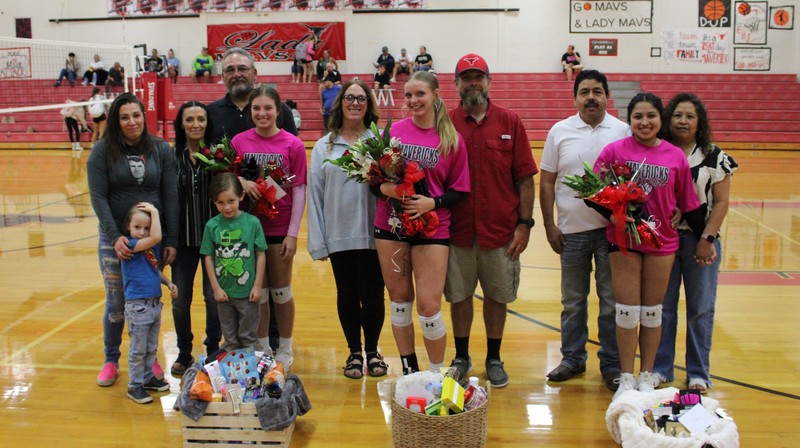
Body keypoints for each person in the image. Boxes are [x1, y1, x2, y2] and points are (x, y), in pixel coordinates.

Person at [592, 93, 706, 400]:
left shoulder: (674, 156)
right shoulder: (614, 151)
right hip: (624, 242)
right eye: (638, 116)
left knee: (653, 313)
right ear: (630, 121)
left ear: (661, 120)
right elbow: (595, 192)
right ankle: (626, 377)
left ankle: (647, 375)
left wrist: (708, 238)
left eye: (651, 116)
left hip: (662, 242)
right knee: (627, 312)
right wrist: (618, 214)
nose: (645, 122)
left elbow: (689, 204)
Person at [445, 54, 538, 388]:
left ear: (488, 81)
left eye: (478, 76)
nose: (473, 82)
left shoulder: (510, 122)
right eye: (466, 77)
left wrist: (524, 225)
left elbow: (526, 179)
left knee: (498, 297)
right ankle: (461, 356)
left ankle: (494, 357)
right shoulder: (445, 122)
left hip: (501, 233)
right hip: (456, 231)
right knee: (459, 296)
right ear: (456, 84)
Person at [374, 71, 471, 375]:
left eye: (420, 94)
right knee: (400, 301)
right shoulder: (392, 132)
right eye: (409, 95)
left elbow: (460, 190)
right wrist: (387, 189)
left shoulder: (451, 139)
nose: (414, 101)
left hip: (432, 227)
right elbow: (371, 179)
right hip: (391, 226)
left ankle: (436, 374)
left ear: (435, 96)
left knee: (429, 307)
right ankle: (409, 371)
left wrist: (433, 203)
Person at [540, 69, 628, 391]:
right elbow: (547, 180)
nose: (591, 97)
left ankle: (612, 364)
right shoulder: (559, 131)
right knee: (573, 301)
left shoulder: (623, 131)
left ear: (607, 96)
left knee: (610, 302)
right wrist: (549, 224)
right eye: (584, 92)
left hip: (611, 234)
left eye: (597, 92)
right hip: (571, 233)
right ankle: (572, 359)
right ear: (575, 97)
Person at [87, 92, 179, 387]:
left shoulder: (161, 150)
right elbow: (99, 197)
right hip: (116, 240)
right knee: (117, 302)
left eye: (136, 115)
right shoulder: (102, 151)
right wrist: (115, 237)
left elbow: (170, 196)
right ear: (116, 120)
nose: (131, 122)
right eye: (124, 117)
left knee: (148, 301)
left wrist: (170, 239)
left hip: (151, 240)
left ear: (144, 117)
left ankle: (148, 358)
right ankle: (111, 359)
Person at [653, 93, 738, 394]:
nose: (683, 121)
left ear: (699, 121)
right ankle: (661, 368)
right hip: (664, 241)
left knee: (700, 308)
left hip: (700, 240)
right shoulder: (658, 152)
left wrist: (707, 239)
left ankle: (698, 372)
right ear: (668, 119)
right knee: (663, 308)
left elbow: (722, 203)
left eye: (690, 116)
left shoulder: (715, 156)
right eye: (677, 115)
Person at [307, 79, 388, 379]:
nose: (355, 103)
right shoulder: (323, 146)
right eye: (349, 98)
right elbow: (315, 195)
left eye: (361, 98)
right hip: (339, 235)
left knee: (374, 295)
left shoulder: (378, 141)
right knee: (347, 294)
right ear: (340, 103)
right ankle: (354, 352)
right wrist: (319, 241)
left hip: (375, 233)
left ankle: (373, 351)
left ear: (368, 105)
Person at [231, 85, 307, 370]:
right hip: (249, 229)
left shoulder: (293, 144)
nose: (262, 114)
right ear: (250, 112)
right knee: (258, 293)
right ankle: (262, 348)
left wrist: (292, 233)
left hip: (279, 228)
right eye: (256, 109)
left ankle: (285, 348)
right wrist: (240, 182)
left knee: (281, 291)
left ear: (278, 111)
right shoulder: (239, 142)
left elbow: (298, 190)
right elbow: (229, 181)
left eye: (267, 108)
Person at [169, 100, 223, 375]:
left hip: (212, 241)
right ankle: (184, 350)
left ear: (207, 122)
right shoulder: (170, 157)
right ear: (181, 123)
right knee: (180, 299)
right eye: (189, 119)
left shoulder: (217, 155)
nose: (195, 124)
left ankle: (213, 347)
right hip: (180, 242)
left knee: (213, 297)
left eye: (200, 119)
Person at [201, 173, 267, 353]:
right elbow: (208, 257)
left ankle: (253, 377)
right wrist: (215, 288)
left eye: (231, 201)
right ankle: (231, 378)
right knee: (230, 340)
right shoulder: (212, 226)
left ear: (241, 196)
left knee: (249, 339)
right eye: (220, 203)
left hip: (248, 294)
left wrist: (257, 286)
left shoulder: (252, 223)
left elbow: (260, 254)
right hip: (224, 295)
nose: (226, 207)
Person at [120, 202, 178, 404]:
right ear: (128, 226)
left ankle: (147, 378)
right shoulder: (130, 245)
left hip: (153, 305)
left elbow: (154, 270)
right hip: (138, 306)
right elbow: (157, 237)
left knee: (151, 346)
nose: (142, 232)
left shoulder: (147, 251)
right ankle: (134, 385)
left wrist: (168, 282)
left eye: (146, 228)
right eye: (137, 227)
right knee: (138, 349)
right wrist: (154, 211)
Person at [208, 48, 297, 144]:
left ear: (254, 74)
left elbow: (292, 148)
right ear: (222, 77)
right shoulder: (210, 112)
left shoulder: (279, 109)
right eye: (230, 70)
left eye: (242, 69)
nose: (236, 74)